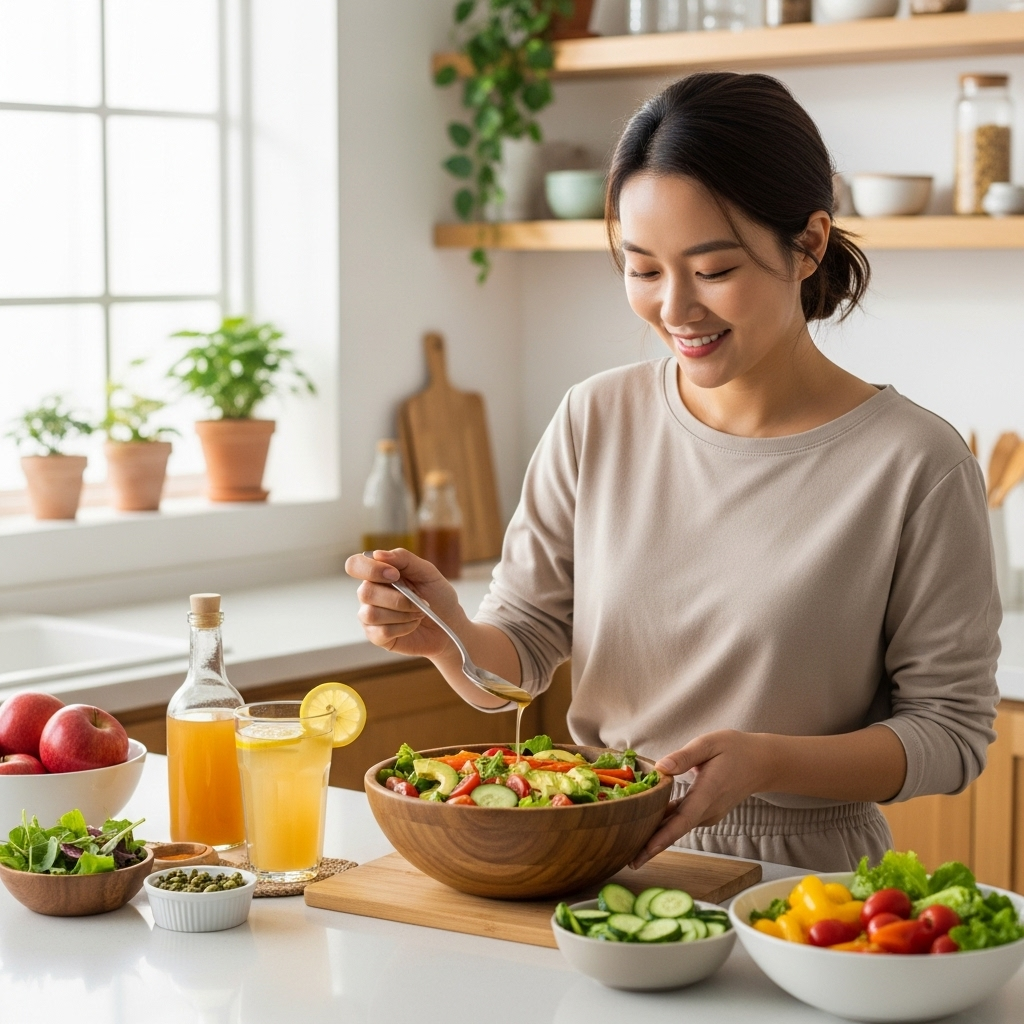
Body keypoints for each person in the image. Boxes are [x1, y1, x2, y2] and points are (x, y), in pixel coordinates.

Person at [346, 72, 1000, 872]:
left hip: (800, 881)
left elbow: (952, 733)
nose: (676, 309)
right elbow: (519, 651)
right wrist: (444, 633)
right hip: (590, 851)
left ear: (810, 244)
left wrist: (770, 762)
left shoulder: (916, 464)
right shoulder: (594, 418)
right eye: (643, 268)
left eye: (714, 269)